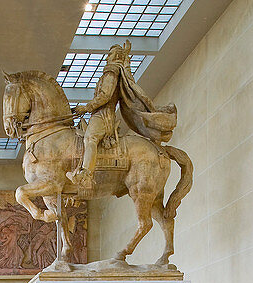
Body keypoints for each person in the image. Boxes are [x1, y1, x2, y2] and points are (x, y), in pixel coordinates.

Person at [67, 41, 177, 188]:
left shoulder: (111, 71)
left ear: (116, 56)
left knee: (90, 138)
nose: (107, 58)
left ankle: (86, 175)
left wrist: (86, 107)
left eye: (110, 54)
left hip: (103, 115)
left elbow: (105, 96)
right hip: (98, 114)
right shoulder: (113, 71)